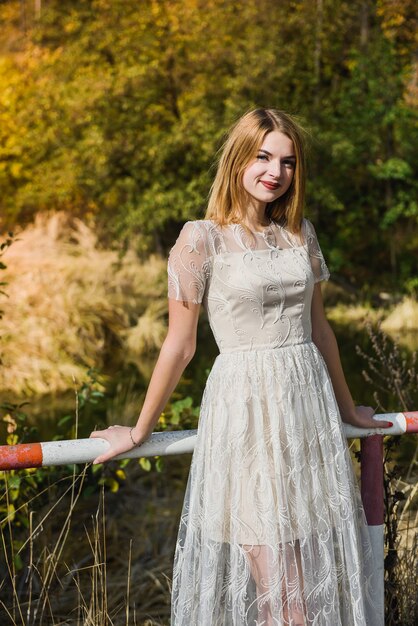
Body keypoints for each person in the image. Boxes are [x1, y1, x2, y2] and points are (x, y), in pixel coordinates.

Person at [90, 108, 392, 625]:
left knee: (307, 578)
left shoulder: (301, 234)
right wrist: (140, 430)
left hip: (307, 416)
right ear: (238, 157)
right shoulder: (200, 239)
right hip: (246, 415)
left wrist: (349, 410)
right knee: (283, 595)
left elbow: (320, 332)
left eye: (288, 162)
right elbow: (179, 346)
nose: (276, 171)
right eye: (263, 156)